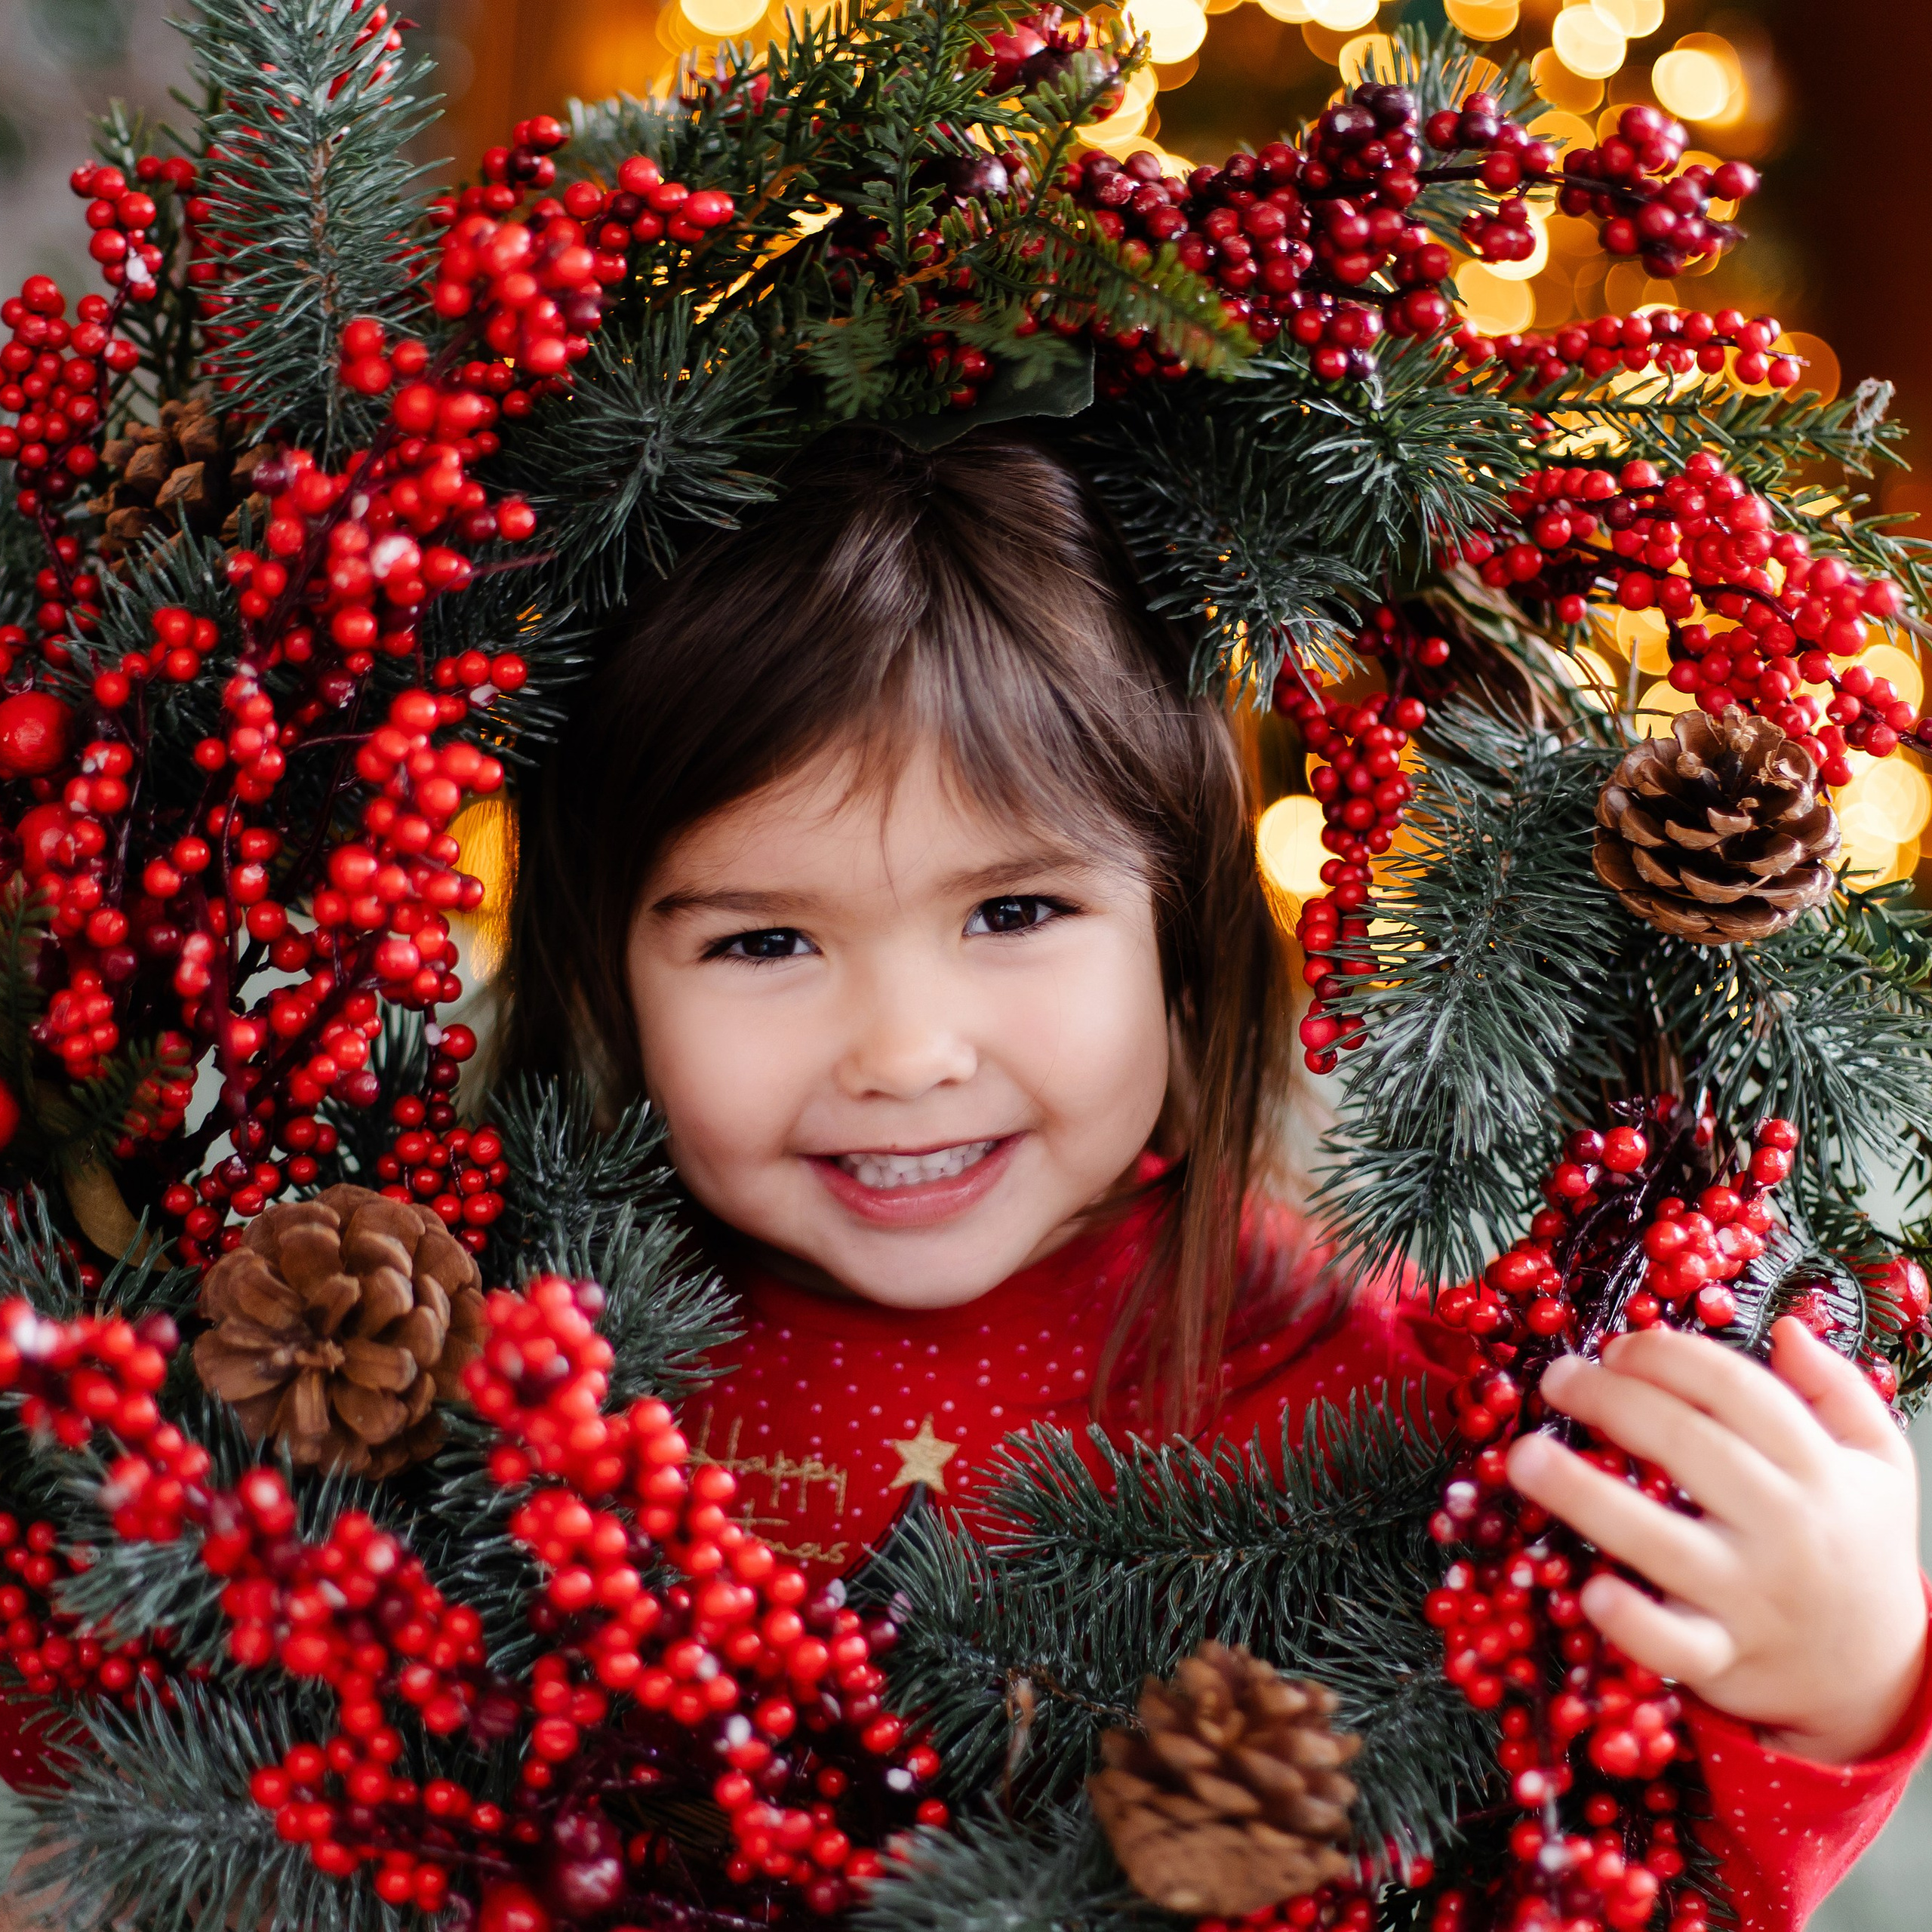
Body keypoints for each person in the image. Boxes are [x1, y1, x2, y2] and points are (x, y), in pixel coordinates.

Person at [502, 426, 1931, 1927]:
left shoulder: (1351, 1380)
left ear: (1178, 938)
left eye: (1013, 910)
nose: (903, 1052)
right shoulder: (548, 1378)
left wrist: (1829, 1672)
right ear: (608, 975)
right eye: (762, 941)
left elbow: (1616, 1853)